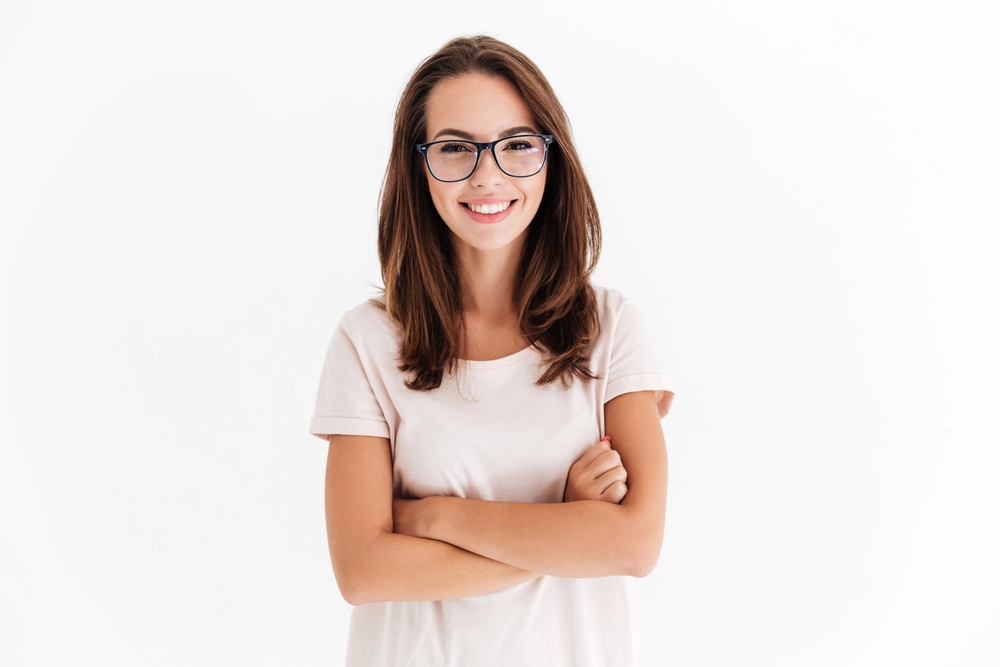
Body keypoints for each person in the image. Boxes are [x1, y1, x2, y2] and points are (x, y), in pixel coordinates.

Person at [310, 35, 674, 667]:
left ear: (550, 158)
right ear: (418, 165)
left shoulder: (610, 329)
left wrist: (435, 518)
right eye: (454, 147)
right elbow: (364, 571)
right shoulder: (366, 342)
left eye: (516, 145)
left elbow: (633, 546)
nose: (488, 175)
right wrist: (565, 528)